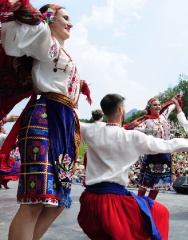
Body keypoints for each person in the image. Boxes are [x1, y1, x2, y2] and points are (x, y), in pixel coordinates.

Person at [77, 93, 188, 240]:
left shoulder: (90, 130)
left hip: (89, 204)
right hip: (112, 204)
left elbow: (69, 114)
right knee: (160, 213)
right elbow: (169, 144)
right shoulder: (132, 136)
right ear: (120, 110)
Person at [1, 2, 91, 239]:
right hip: (45, 118)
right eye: (65, 17)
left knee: (58, 200)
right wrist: (20, 8)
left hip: (63, 121)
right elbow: (20, 34)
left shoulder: (62, 52)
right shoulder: (46, 42)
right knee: (36, 199)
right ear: (50, 20)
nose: (71, 22)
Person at [123, 95, 181, 200]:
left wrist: (175, 100)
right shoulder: (146, 122)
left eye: (159, 104)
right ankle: (139, 204)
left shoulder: (163, 116)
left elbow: (170, 106)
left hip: (165, 154)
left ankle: (149, 204)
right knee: (145, 183)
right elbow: (133, 129)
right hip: (152, 154)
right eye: (155, 105)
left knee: (158, 183)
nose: (158, 106)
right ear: (149, 108)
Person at [0, 114, 20, 189]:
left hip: (3, 154)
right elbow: (13, 143)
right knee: (9, 169)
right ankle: (4, 182)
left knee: (3, 171)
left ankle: (2, 182)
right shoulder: (3, 136)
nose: (4, 128)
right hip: (3, 155)